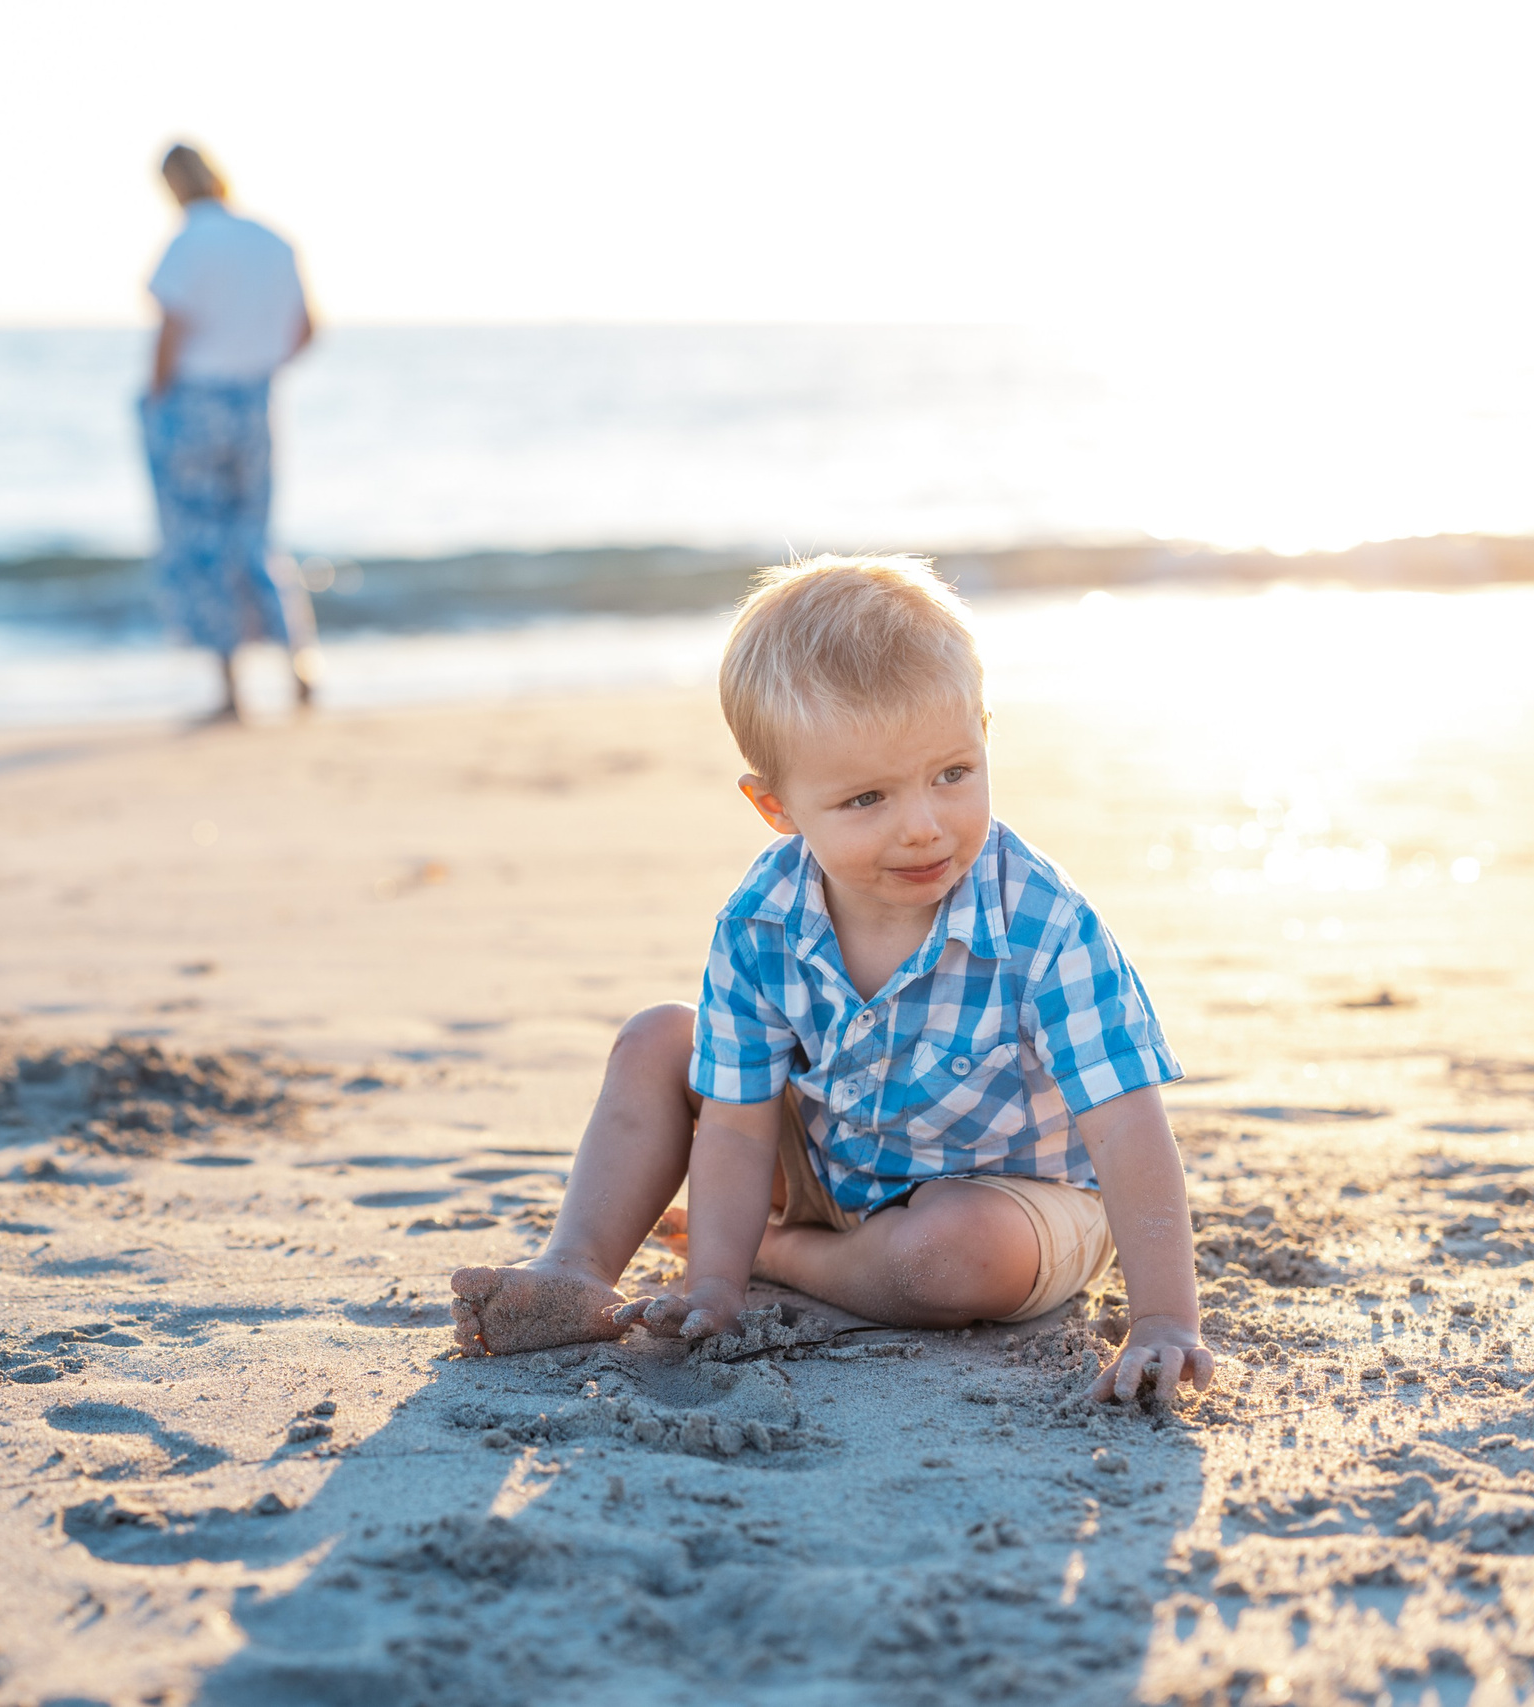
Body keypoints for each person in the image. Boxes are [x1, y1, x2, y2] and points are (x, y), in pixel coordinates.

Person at [448, 557, 1218, 1406]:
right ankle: (575, 1267)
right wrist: (713, 1286)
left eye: (952, 774)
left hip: (1015, 1199)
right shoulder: (761, 920)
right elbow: (739, 1131)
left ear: (985, 735)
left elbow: (1126, 1128)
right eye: (866, 799)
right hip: (831, 1159)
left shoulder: (1041, 920)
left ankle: (782, 1255)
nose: (924, 826)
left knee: (953, 1252)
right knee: (659, 1038)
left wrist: (1164, 1321)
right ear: (776, 807)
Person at [141, 143, 321, 723]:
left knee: (201, 543)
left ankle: (230, 690)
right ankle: (300, 670)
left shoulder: (188, 241)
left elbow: (172, 329)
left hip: (194, 400)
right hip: (255, 398)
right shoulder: (271, 241)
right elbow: (307, 331)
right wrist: (260, 364)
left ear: (172, 187)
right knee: (255, 537)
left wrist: (157, 394)